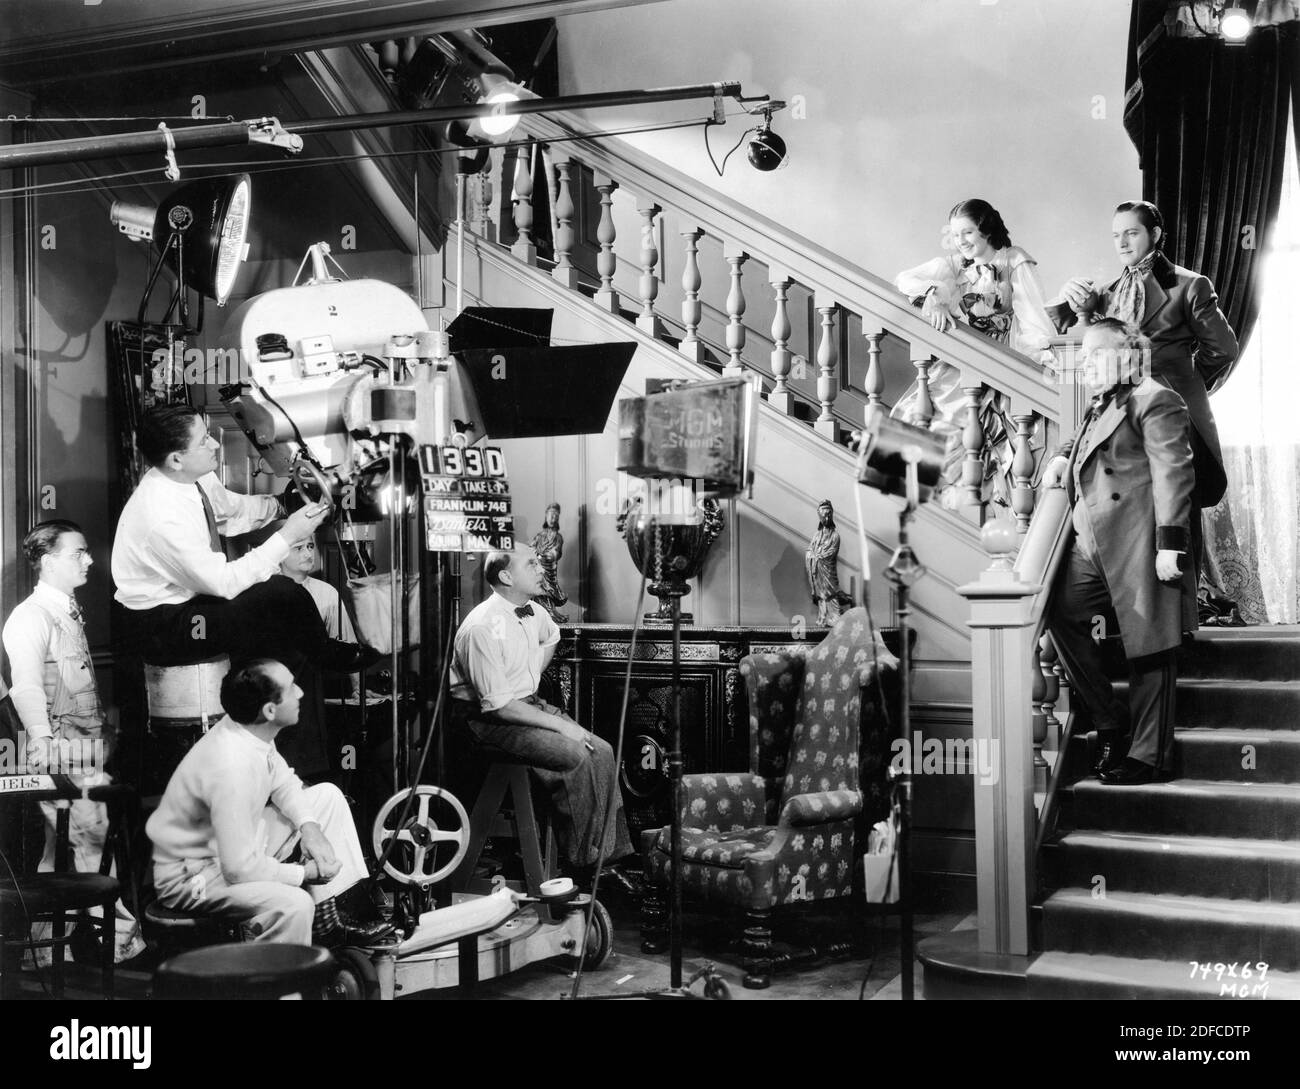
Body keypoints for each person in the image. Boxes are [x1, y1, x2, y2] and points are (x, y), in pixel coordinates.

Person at [111, 403, 377, 675]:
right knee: (281, 596)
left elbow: (228, 511)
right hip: (166, 628)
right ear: (176, 459)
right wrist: (288, 535)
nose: (214, 443)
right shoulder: (162, 515)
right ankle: (324, 656)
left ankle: (308, 667)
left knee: (278, 599)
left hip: (190, 602)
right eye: (204, 441)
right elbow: (223, 583)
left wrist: (284, 504)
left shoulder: (190, 476)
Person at [1045, 319, 1197, 786]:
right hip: (1089, 543)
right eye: (1084, 357)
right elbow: (1085, 438)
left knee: (1148, 644)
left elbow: (1175, 472)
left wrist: (1169, 544)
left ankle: (1149, 756)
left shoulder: (1156, 398)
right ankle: (1109, 718)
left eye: (1095, 356)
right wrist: (1059, 455)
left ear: (1129, 356)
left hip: (1137, 540)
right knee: (1060, 611)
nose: (1086, 365)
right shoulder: (1103, 399)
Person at [146, 659, 392, 946]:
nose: (301, 693)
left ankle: (328, 923)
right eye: (291, 689)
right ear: (270, 710)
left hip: (228, 848)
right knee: (294, 903)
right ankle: (276, 978)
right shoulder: (231, 766)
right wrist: (303, 874)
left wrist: (311, 829)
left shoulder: (250, 728)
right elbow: (238, 869)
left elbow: (284, 781)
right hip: (195, 878)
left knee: (327, 797)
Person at [2, 521, 145, 964]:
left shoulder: (66, 610)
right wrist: (44, 743)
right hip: (62, 748)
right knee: (91, 838)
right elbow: (25, 688)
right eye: (78, 553)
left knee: (62, 847)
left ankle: (42, 953)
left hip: (82, 746)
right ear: (48, 562)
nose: (89, 559)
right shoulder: (30, 617)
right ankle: (121, 944)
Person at [1047, 199, 1237, 528]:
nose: (1121, 243)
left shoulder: (1190, 285)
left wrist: (1184, 382)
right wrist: (1069, 296)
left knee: (1176, 504)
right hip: (1122, 417)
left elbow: (1224, 348)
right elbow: (1073, 331)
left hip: (1171, 413)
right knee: (1135, 516)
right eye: (1115, 235)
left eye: (1131, 233)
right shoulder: (1107, 293)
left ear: (1155, 233)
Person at [449, 548, 634, 885]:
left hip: (526, 704)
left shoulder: (533, 612)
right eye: (530, 564)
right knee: (577, 755)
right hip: (486, 722)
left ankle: (610, 858)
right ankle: (584, 865)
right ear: (506, 577)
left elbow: (553, 635)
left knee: (603, 751)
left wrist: (531, 670)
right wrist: (562, 725)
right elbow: (500, 707)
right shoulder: (480, 627)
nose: (540, 568)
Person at [893, 199, 1057, 509]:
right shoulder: (954, 266)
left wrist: (1041, 363)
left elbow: (1033, 321)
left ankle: (951, 508)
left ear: (986, 228)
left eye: (967, 233)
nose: (961, 242)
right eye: (955, 236)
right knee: (915, 418)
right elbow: (904, 279)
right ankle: (925, 507)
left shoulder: (1014, 261)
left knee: (965, 431)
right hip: (961, 359)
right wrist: (934, 294)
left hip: (998, 361)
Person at [804, 500, 853, 626]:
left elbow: (831, 553)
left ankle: (835, 616)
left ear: (831, 516)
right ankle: (822, 617)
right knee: (821, 596)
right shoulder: (816, 535)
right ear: (819, 517)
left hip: (827, 570)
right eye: (823, 515)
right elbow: (809, 550)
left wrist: (817, 556)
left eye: (828, 515)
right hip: (817, 570)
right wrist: (811, 555)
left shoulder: (835, 536)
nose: (826, 518)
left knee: (830, 593)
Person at [529, 502, 568, 623]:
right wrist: (534, 553)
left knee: (547, 591)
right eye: (551, 515)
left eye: (556, 516)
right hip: (537, 567)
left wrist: (543, 555)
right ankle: (539, 613)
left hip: (548, 569)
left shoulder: (558, 537)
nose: (553, 518)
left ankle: (550, 613)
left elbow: (555, 553)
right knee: (537, 592)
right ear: (546, 516)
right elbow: (530, 549)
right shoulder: (539, 536)